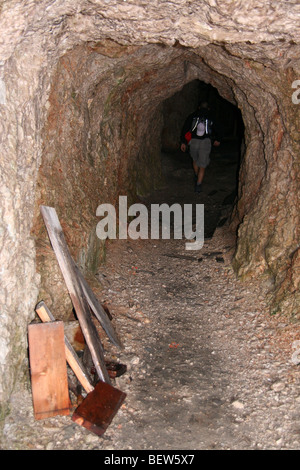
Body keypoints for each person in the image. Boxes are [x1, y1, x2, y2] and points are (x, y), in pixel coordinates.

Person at [180, 101, 220, 192]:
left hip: (193, 141)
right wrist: (218, 139)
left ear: (199, 107)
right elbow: (218, 128)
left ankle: (196, 174)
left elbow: (185, 128)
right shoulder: (211, 116)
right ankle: (198, 184)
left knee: (195, 159)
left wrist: (183, 141)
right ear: (208, 108)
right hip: (205, 142)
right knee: (202, 164)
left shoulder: (192, 116)